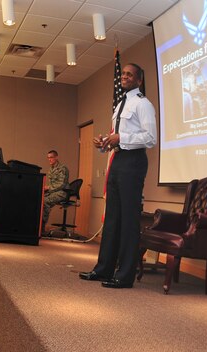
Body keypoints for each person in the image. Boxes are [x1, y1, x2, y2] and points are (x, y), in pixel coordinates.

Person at [80, 63, 156, 288]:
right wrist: (105, 142)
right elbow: (117, 137)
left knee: (129, 220)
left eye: (129, 74)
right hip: (118, 160)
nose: (124, 77)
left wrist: (121, 138)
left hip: (133, 163)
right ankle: (103, 269)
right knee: (112, 218)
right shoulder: (120, 105)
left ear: (139, 80)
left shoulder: (143, 104)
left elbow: (150, 138)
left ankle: (124, 275)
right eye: (123, 73)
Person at [41, 150, 69, 233]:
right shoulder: (51, 169)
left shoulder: (62, 168)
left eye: (51, 157)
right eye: (48, 158)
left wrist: (48, 188)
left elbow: (61, 184)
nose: (49, 159)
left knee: (45, 201)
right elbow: (52, 184)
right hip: (53, 191)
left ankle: (41, 227)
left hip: (62, 192)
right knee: (39, 198)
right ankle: (36, 225)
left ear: (56, 157)